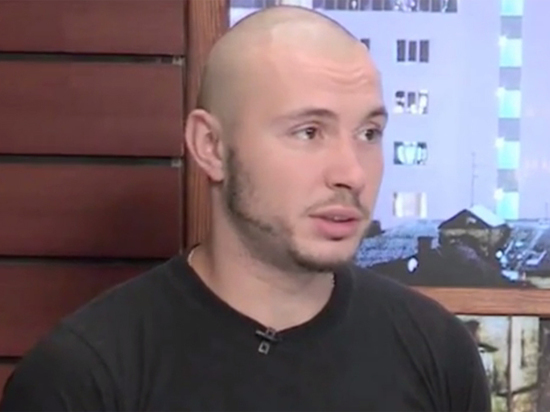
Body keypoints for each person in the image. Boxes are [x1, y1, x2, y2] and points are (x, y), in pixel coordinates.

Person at [0, 5, 491, 412]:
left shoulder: (439, 351)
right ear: (211, 147)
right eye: (309, 132)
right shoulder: (84, 377)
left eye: (369, 133)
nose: (352, 173)